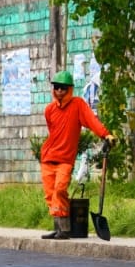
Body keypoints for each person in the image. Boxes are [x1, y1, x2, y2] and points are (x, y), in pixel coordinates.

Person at [39, 70, 116, 240]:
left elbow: (92, 120)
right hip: (48, 157)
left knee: (60, 189)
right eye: (57, 87)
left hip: (65, 159)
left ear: (70, 89)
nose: (59, 91)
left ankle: (64, 229)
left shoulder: (78, 105)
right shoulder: (49, 110)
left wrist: (105, 134)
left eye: (63, 88)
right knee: (50, 194)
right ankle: (60, 228)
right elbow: (53, 132)